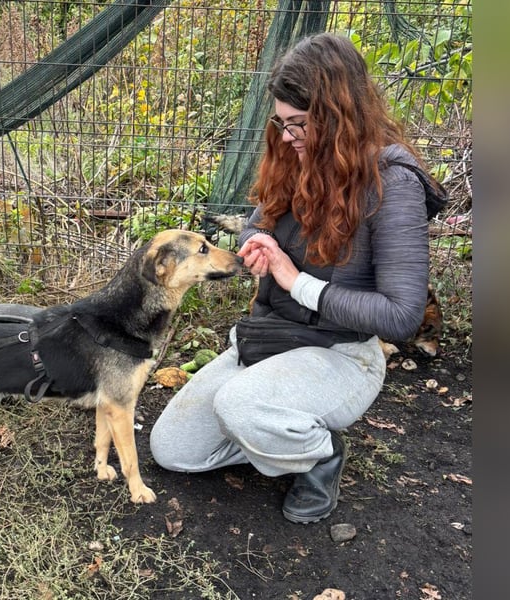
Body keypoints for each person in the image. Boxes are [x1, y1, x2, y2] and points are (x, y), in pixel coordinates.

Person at [149, 32, 447, 524]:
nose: (287, 137)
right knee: (174, 448)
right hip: (272, 341)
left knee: (239, 405)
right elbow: (258, 218)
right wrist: (256, 243)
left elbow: (401, 315)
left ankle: (319, 453)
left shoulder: (392, 184)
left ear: (337, 117)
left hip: (342, 355)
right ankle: (272, 427)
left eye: (299, 125)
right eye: (282, 123)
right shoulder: (296, 155)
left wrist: (294, 280)